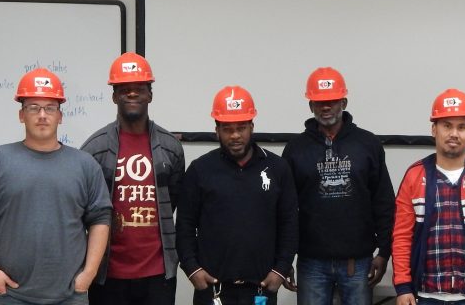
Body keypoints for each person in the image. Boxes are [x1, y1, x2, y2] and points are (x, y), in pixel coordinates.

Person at [0, 68, 112, 304]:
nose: (42, 115)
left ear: (60, 116)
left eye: (50, 108)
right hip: (9, 296)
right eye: (33, 107)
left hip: (69, 296)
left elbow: (101, 219)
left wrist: (88, 274)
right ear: (21, 115)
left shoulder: (85, 165)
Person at [282, 66, 395, 305]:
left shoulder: (368, 144)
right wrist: (282, 261)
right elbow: (285, 210)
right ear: (310, 105)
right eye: (319, 102)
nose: (326, 108)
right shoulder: (295, 149)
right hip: (311, 262)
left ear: (343, 101)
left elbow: (383, 202)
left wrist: (384, 252)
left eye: (332, 101)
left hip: (359, 261)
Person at [176, 86, 298, 305]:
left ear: (252, 127)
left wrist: (280, 270)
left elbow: (290, 224)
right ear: (217, 130)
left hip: (261, 288)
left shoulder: (278, 168)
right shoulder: (199, 170)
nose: (235, 135)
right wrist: (192, 269)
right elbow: (184, 225)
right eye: (227, 128)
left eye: (241, 128)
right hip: (213, 289)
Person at [80, 52, 185, 305]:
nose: (132, 94)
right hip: (108, 275)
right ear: (114, 96)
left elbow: (173, 199)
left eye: (139, 88)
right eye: (124, 89)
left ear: (150, 94)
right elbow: (84, 210)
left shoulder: (170, 147)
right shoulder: (94, 149)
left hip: (158, 273)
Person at [392, 88, 465, 305]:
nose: (454, 133)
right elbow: (402, 237)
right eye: (447, 126)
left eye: (462, 127)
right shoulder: (414, 176)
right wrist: (402, 286)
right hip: (424, 295)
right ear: (433, 129)